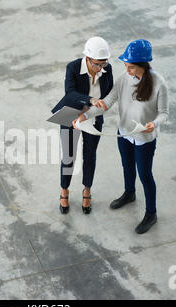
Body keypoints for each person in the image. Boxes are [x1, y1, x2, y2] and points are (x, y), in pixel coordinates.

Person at [73, 39, 169, 234]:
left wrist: (154, 124)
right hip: (124, 133)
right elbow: (107, 102)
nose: (127, 70)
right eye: (125, 66)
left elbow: (164, 113)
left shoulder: (159, 83)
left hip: (144, 139)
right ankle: (129, 193)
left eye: (131, 67)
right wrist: (85, 115)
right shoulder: (124, 79)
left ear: (143, 65)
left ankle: (151, 213)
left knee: (145, 175)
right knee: (127, 166)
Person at [51, 37, 114, 215]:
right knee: (68, 156)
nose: (100, 68)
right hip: (71, 115)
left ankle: (87, 189)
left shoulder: (106, 69)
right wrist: (90, 100)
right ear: (87, 58)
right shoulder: (73, 67)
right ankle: (64, 190)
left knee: (90, 155)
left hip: (93, 117)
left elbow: (109, 93)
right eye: (96, 64)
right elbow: (70, 93)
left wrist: (93, 109)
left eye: (103, 63)